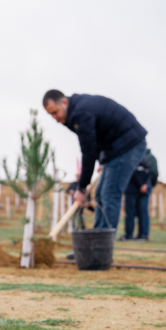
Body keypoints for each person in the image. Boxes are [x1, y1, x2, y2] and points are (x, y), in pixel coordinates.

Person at [43, 90, 147, 232]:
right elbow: (95, 140)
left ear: (64, 103)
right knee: (100, 194)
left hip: (128, 145)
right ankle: (96, 241)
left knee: (109, 194)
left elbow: (88, 153)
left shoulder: (81, 113)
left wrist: (81, 188)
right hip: (114, 148)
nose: (55, 118)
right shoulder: (74, 114)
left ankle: (102, 248)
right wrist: (103, 160)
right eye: (51, 115)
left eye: (55, 112)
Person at [121, 153, 151, 241]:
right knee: (134, 213)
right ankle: (135, 235)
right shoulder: (145, 160)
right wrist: (143, 185)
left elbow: (147, 174)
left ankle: (135, 235)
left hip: (136, 190)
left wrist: (144, 185)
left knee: (137, 213)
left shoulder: (132, 158)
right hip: (137, 190)